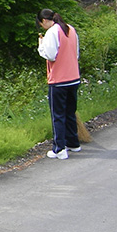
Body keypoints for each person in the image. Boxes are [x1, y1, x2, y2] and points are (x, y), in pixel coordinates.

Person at [37, 8, 81, 160]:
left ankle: (59, 149)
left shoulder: (52, 32)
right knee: (70, 112)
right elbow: (76, 53)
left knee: (58, 115)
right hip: (74, 77)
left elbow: (50, 55)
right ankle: (73, 143)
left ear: (44, 21)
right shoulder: (71, 29)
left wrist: (40, 45)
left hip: (59, 80)